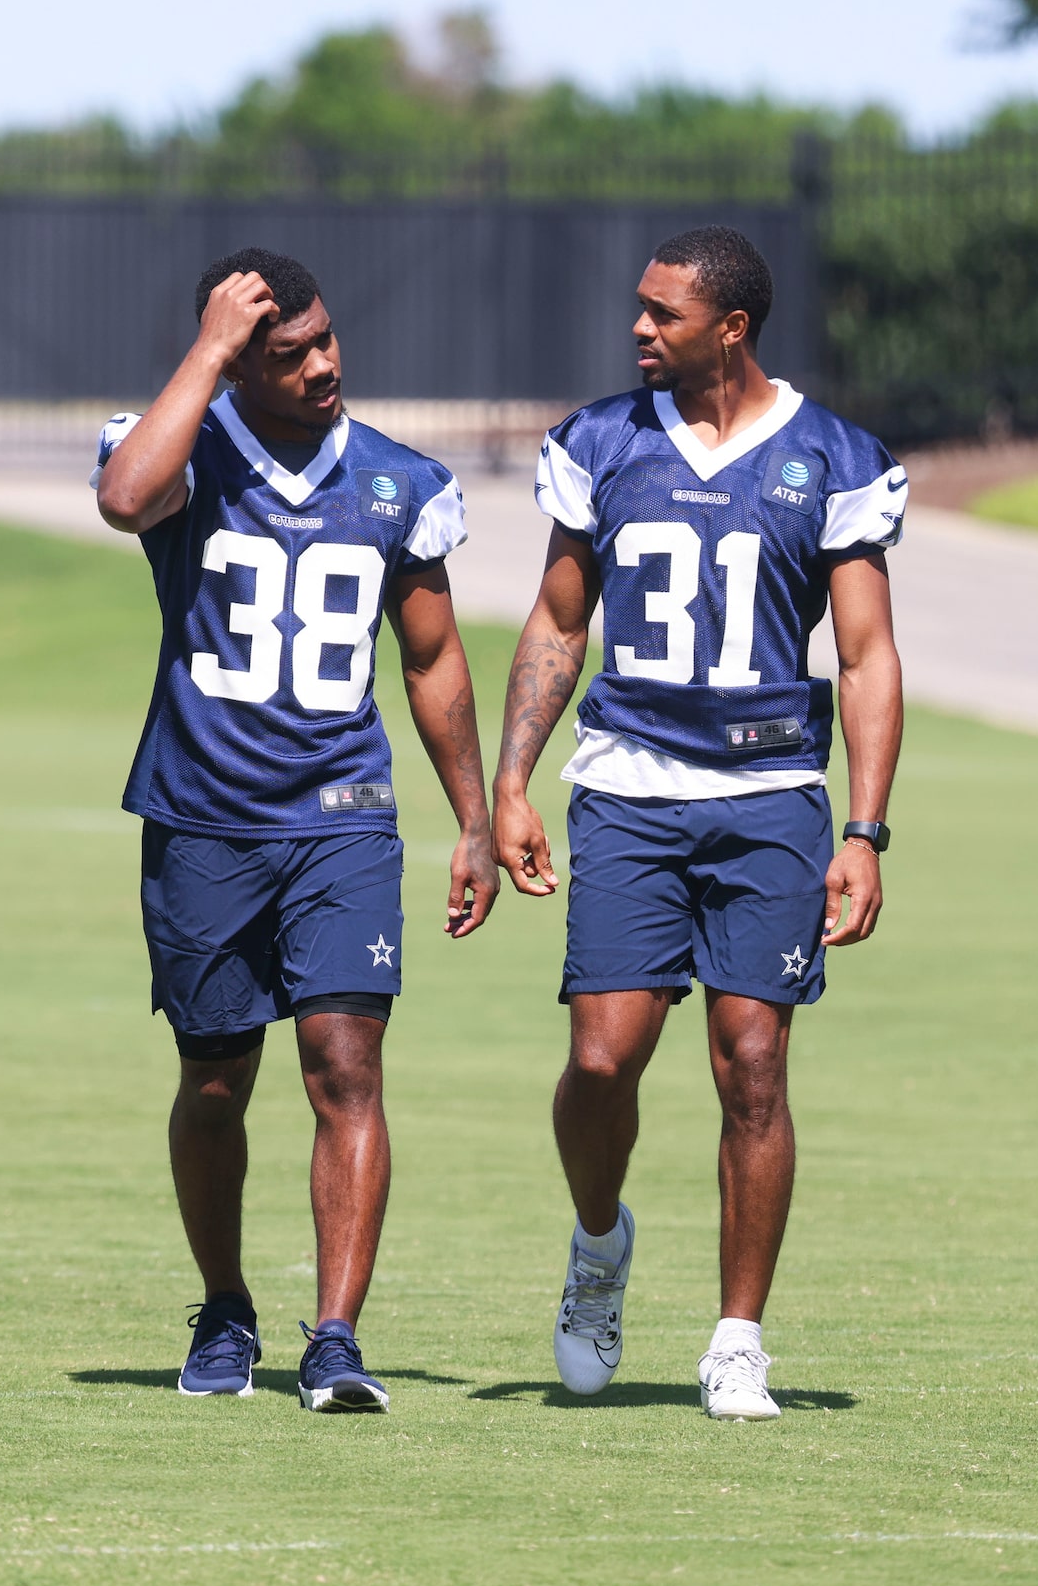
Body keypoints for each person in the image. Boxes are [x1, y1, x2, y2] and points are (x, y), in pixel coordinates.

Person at [491, 225, 905, 1421]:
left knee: (753, 1068)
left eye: (661, 313)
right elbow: (558, 623)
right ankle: (597, 1243)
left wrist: (864, 834)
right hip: (626, 788)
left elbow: (868, 659)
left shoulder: (831, 456)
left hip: (770, 797)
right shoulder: (599, 443)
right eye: (637, 307)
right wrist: (515, 780)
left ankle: (736, 1337)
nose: (637, 329)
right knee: (600, 1058)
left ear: (728, 328)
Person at [94, 248, 495, 1415]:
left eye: (324, 339)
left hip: (342, 820)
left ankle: (334, 1338)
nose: (321, 366)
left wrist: (471, 816)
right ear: (234, 361)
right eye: (287, 353)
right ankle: (223, 1307)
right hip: (201, 817)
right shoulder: (179, 447)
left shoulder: (397, 481)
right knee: (214, 1080)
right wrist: (211, 354)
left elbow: (429, 658)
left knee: (346, 1068)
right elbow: (125, 499)